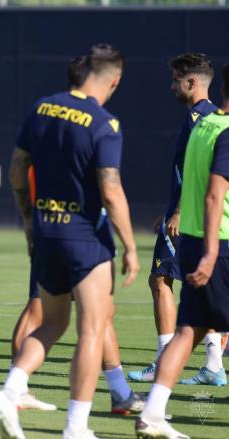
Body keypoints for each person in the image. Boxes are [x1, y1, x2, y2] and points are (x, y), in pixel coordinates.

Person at [0, 44, 139, 439]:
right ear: (115, 80)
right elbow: (110, 190)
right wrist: (131, 246)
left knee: (51, 323)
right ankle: (76, 427)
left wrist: (28, 222)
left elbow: (18, 170)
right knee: (92, 328)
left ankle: (9, 392)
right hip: (85, 238)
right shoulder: (105, 123)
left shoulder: (42, 108)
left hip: (46, 232)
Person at [135, 62, 229, 439]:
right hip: (219, 244)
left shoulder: (204, 125)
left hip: (194, 240)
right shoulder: (222, 131)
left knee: (188, 330)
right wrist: (209, 253)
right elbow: (213, 194)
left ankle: (153, 413)